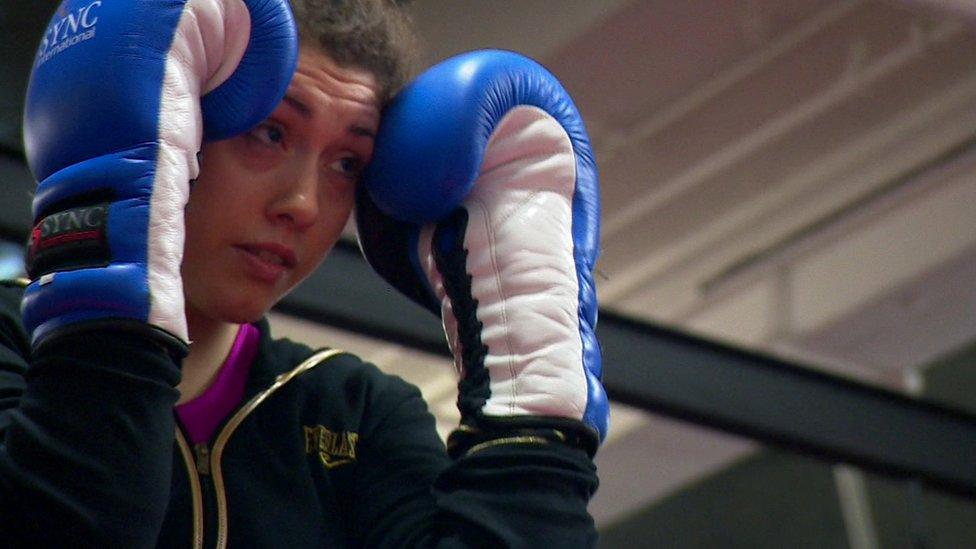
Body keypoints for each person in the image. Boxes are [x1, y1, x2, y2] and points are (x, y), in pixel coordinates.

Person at [0, 0, 607, 547]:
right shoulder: (11, 340)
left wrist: (535, 399)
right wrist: (105, 292)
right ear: (177, 113)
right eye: (270, 133)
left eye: (347, 162)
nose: (305, 205)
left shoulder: (356, 410)